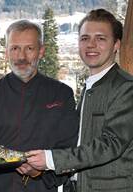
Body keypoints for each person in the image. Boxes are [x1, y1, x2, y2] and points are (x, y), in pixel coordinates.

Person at [27, 9, 133, 192]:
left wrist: (52, 159)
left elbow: (110, 144)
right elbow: (78, 143)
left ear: (116, 44)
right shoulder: (90, 87)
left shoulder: (126, 88)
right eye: (84, 38)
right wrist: (40, 166)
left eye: (100, 38)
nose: (91, 45)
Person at [0, 20, 79, 192]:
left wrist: (40, 173)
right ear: (6, 53)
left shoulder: (61, 94)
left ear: (41, 51)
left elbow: (68, 151)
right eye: (15, 48)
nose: (21, 57)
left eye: (29, 48)